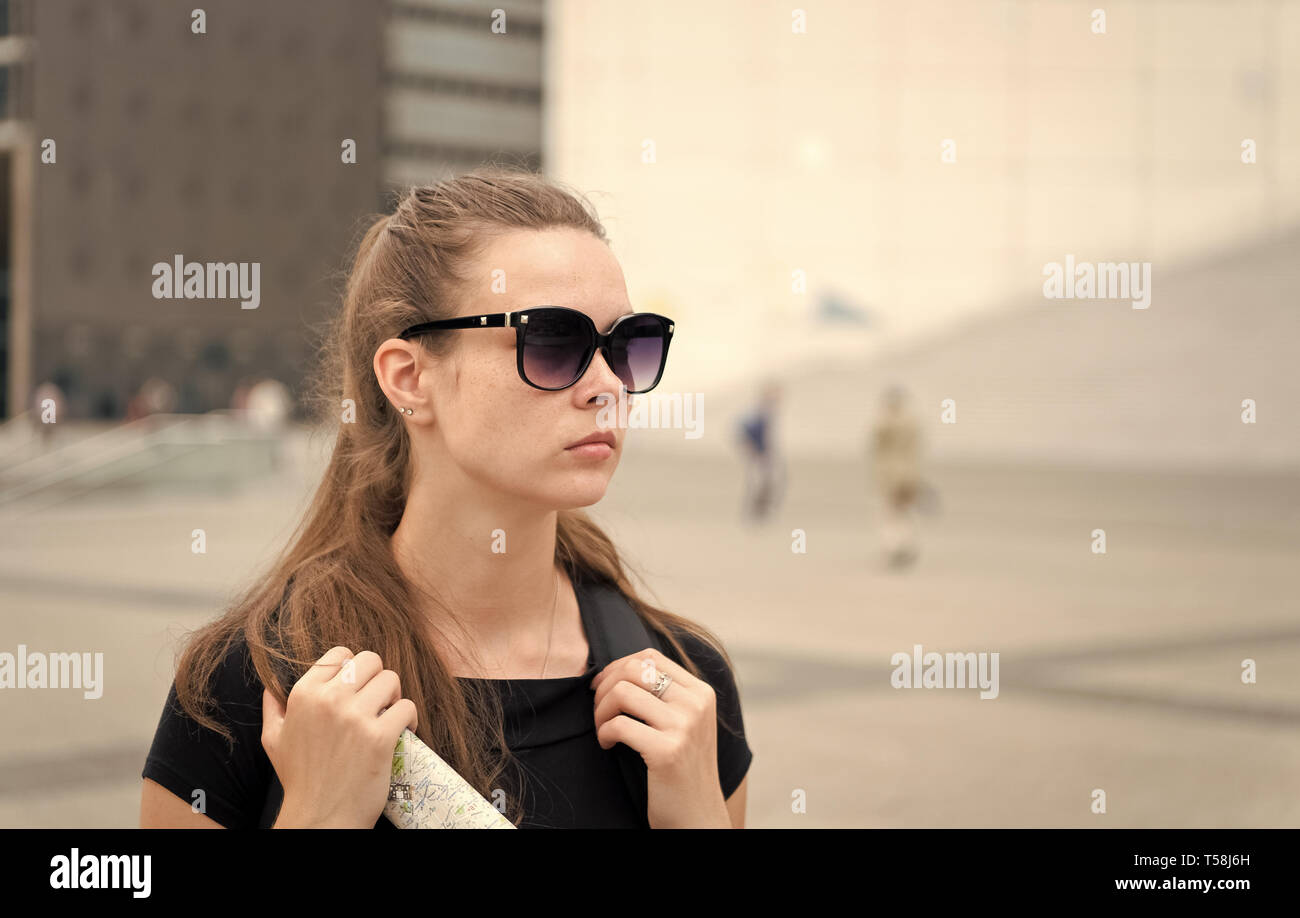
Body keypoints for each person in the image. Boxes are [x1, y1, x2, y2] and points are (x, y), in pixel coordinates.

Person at [138, 168, 753, 829]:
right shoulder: (251, 682)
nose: (607, 385)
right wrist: (317, 816)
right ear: (408, 378)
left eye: (627, 345)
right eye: (553, 341)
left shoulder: (683, 690)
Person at [870, 385, 923, 568]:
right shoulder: (913, 422)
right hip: (909, 473)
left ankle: (894, 548)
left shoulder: (885, 423)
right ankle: (906, 545)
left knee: (889, 513)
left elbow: (877, 447)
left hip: (891, 474)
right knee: (904, 513)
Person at [737, 380, 782, 521]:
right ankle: (757, 509)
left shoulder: (763, 413)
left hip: (760, 451)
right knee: (762, 479)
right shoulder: (761, 413)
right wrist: (755, 448)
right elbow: (751, 431)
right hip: (759, 451)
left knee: (762, 480)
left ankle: (758, 508)